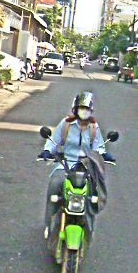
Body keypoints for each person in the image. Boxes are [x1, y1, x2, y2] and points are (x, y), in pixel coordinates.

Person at [38, 92, 115, 238]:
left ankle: (89, 227)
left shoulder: (94, 127)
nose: (84, 111)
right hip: (65, 163)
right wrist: (47, 151)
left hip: (87, 166)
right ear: (75, 109)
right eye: (81, 108)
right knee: (55, 185)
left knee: (92, 194)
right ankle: (49, 224)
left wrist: (104, 154)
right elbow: (53, 140)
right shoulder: (66, 124)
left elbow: (98, 146)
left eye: (87, 109)